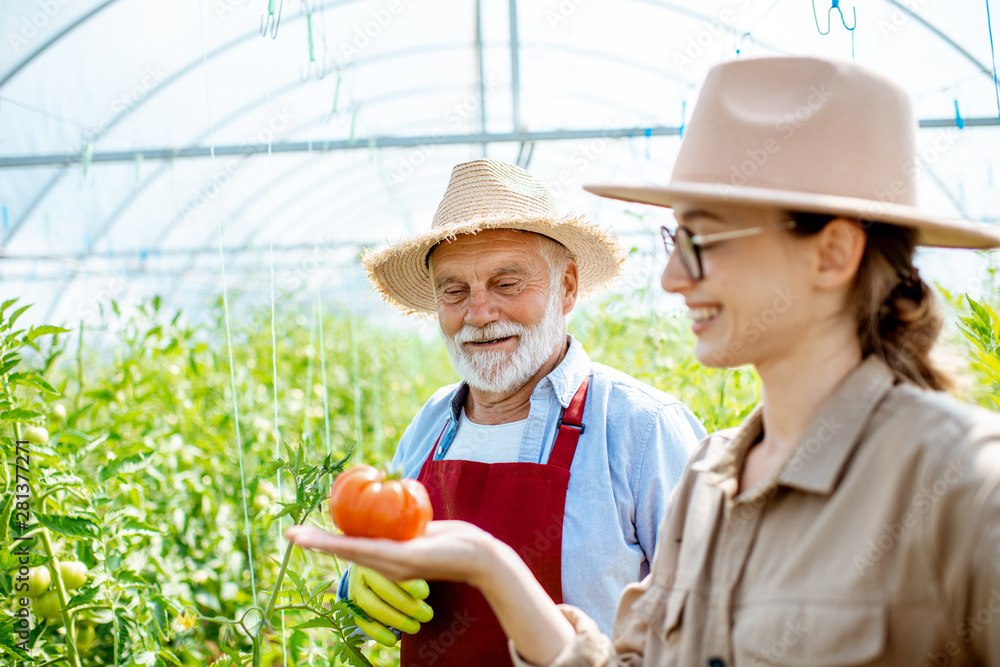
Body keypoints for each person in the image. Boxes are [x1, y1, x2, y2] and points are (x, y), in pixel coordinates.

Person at [289, 56, 1000, 665]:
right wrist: (482, 567)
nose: (672, 280)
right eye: (674, 240)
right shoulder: (715, 483)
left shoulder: (962, 486)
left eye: (707, 240)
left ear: (834, 251)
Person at [337, 159, 706, 665]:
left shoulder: (641, 428)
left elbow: (708, 626)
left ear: (568, 287)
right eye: (454, 290)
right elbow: (387, 562)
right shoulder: (431, 425)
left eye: (507, 284)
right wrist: (356, 582)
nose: (480, 312)